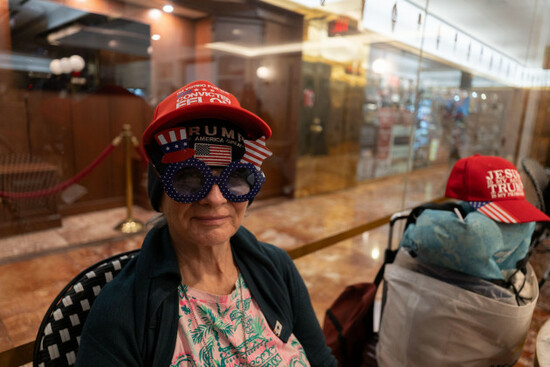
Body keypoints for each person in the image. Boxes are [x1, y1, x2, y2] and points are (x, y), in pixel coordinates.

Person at [76, 80, 337, 367]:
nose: (215, 199)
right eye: (188, 179)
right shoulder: (122, 311)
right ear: (159, 194)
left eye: (234, 177)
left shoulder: (277, 268)